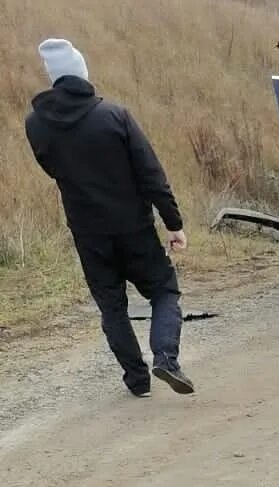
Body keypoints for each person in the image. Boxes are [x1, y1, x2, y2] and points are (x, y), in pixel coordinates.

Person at [24, 38, 194, 398]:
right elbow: (151, 174)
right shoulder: (114, 116)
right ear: (82, 74)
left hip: (88, 233)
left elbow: (51, 169)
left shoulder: (35, 124)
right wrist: (173, 222)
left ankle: (137, 380)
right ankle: (165, 357)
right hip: (134, 228)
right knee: (164, 290)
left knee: (111, 305)